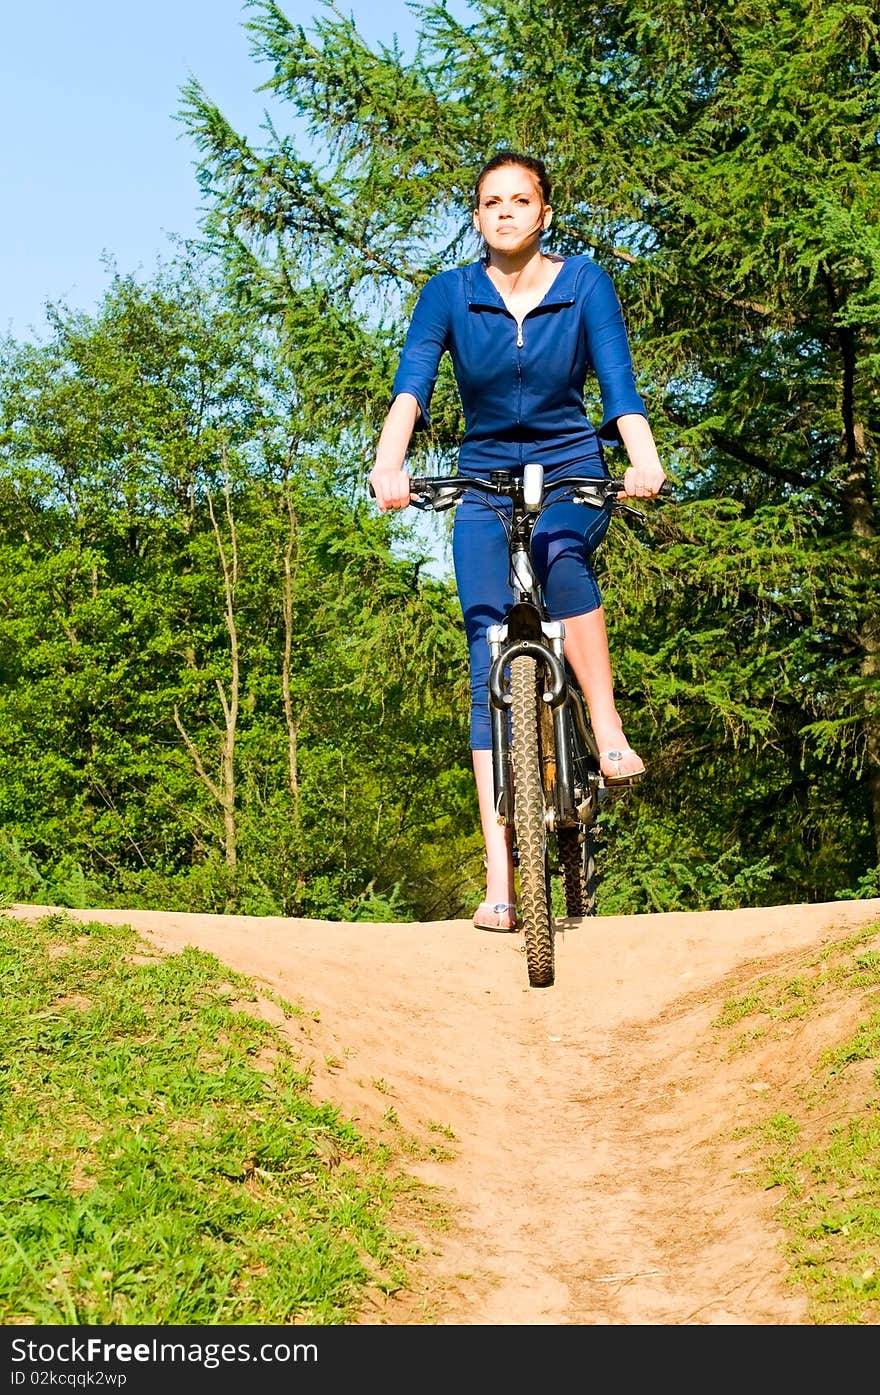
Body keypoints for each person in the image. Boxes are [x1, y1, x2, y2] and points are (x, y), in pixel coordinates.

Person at [368, 151, 666, 932]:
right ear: (476, 219)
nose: (505, 211)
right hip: (484, 475)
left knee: (562, 556)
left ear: (544, 214)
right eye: (491, 202)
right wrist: (389, 462)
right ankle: (502, 877)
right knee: (482, 647)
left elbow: (618, 384)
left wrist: (643, 457)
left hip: (570, 465)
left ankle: (604, 728)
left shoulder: (584, 284)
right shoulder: (449, 295)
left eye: (520, 199)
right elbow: (412, 385)